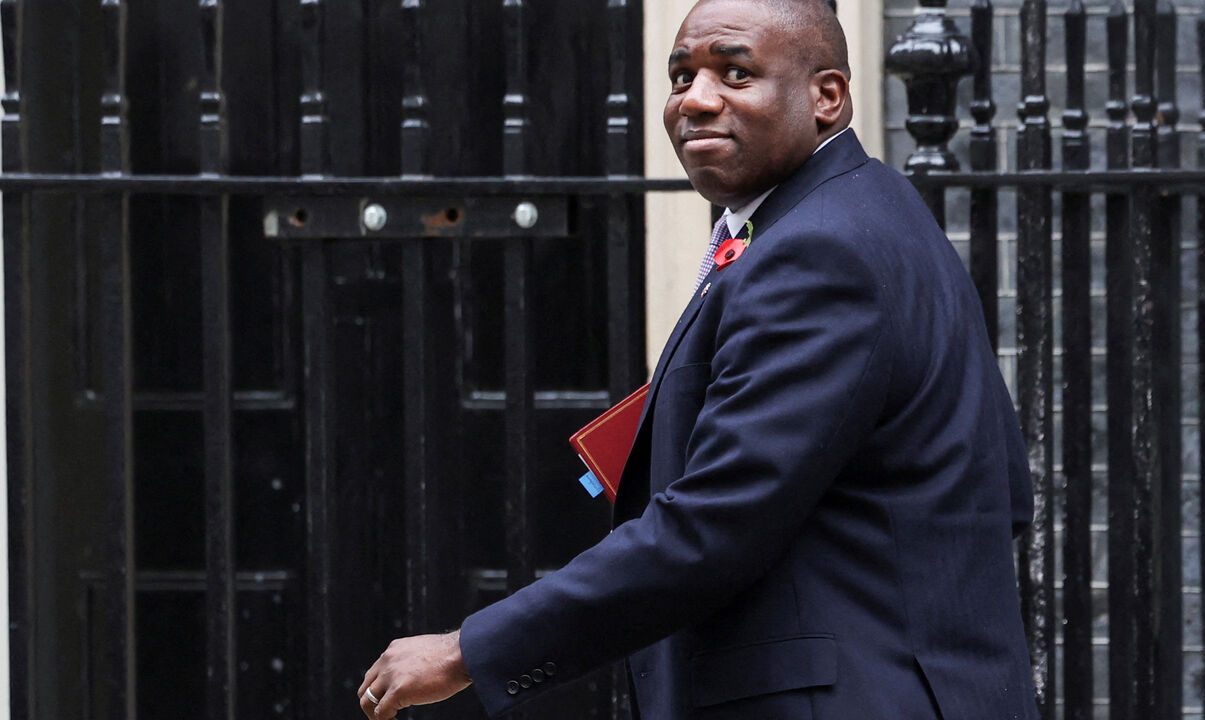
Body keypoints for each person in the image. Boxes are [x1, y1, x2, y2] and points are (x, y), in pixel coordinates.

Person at [359, 0, 1039, 717]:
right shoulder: (861, 214)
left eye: (736, 72)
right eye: (681, 76)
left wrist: (469, 649)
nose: (698, 99)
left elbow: (714, 527)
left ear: (827, 96)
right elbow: (1006, 494)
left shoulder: (819, 252)